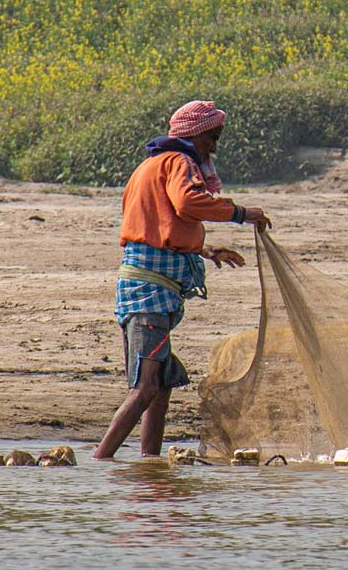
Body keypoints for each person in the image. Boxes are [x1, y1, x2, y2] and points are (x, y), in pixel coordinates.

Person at [93, 99, 269, 461]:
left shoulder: (151, 166)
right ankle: (101, 461)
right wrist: (240, 213)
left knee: (161, 385)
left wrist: (206, 250)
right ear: (194, 134)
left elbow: (159, 226)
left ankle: (149, 463)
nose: (214, 146)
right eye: (212, 137)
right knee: (145, 388)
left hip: (148, 289)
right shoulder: (179, 162)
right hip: (149, 293)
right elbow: (188, 203)